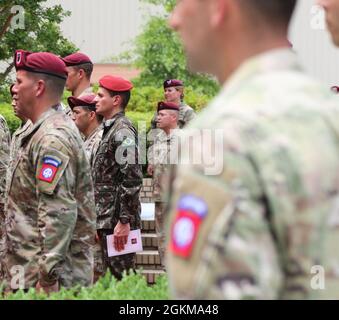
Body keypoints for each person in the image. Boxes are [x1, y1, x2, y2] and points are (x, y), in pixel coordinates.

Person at [166, 0, 339, 299]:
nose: (175, 19)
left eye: (184, 3)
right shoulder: (328, 113)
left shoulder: (220, 136)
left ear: (219, 8)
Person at [2, 50, 96, 293]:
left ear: (39, 87)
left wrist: (48, 277)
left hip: (44, 281)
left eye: (20, 81)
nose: (15, 88)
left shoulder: (52, 139)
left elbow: (58, 213)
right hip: (27, 272)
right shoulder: (42, 132)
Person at [93, 75, 143, 280]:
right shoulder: (110, 128)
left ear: (116, 100)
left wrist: (124, 220)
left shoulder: (122, 131)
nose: (95, 99)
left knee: (120, 280)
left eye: (100, 95)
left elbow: (132, 177)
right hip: (107, 219)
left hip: (117, 223)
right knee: (110, 280)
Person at [147, 101, 179, 267]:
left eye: (161, 115)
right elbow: (152, 164)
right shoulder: (157, 139)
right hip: (159, 197)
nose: (157, 118)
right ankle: (166, 276)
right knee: (162, 238)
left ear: (173, 117)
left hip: (176, 200)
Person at [68, 94, 103, 168]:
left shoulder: (100, 140)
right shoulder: (84, 138)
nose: (72, 117)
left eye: (77, 113)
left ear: (91, 115)